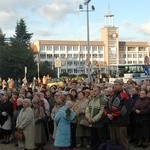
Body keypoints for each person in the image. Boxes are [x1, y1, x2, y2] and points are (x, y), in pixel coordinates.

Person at [104, 79, 130, 150]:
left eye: (116, 84)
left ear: (121, 85)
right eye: (114, 84)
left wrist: (112, 115)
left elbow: (123, 109)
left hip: (121, 121)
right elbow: (106, 106)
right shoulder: (112, 94)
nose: (114, 86)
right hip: (111, 121)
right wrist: (108, 114)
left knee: (122, 140)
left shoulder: (125, 95)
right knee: (113, 141)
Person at [85, 85, 107, 150]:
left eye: (95, 91)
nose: (94, 92)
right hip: (92, 123)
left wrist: (94, 119)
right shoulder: (90, 100)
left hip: (99, 123)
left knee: (101, 139)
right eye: (93, 91)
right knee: (93, 139)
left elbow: (102, 112)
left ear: (99, 92)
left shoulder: (103, 100)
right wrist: (88, 118)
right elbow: (87, 110)